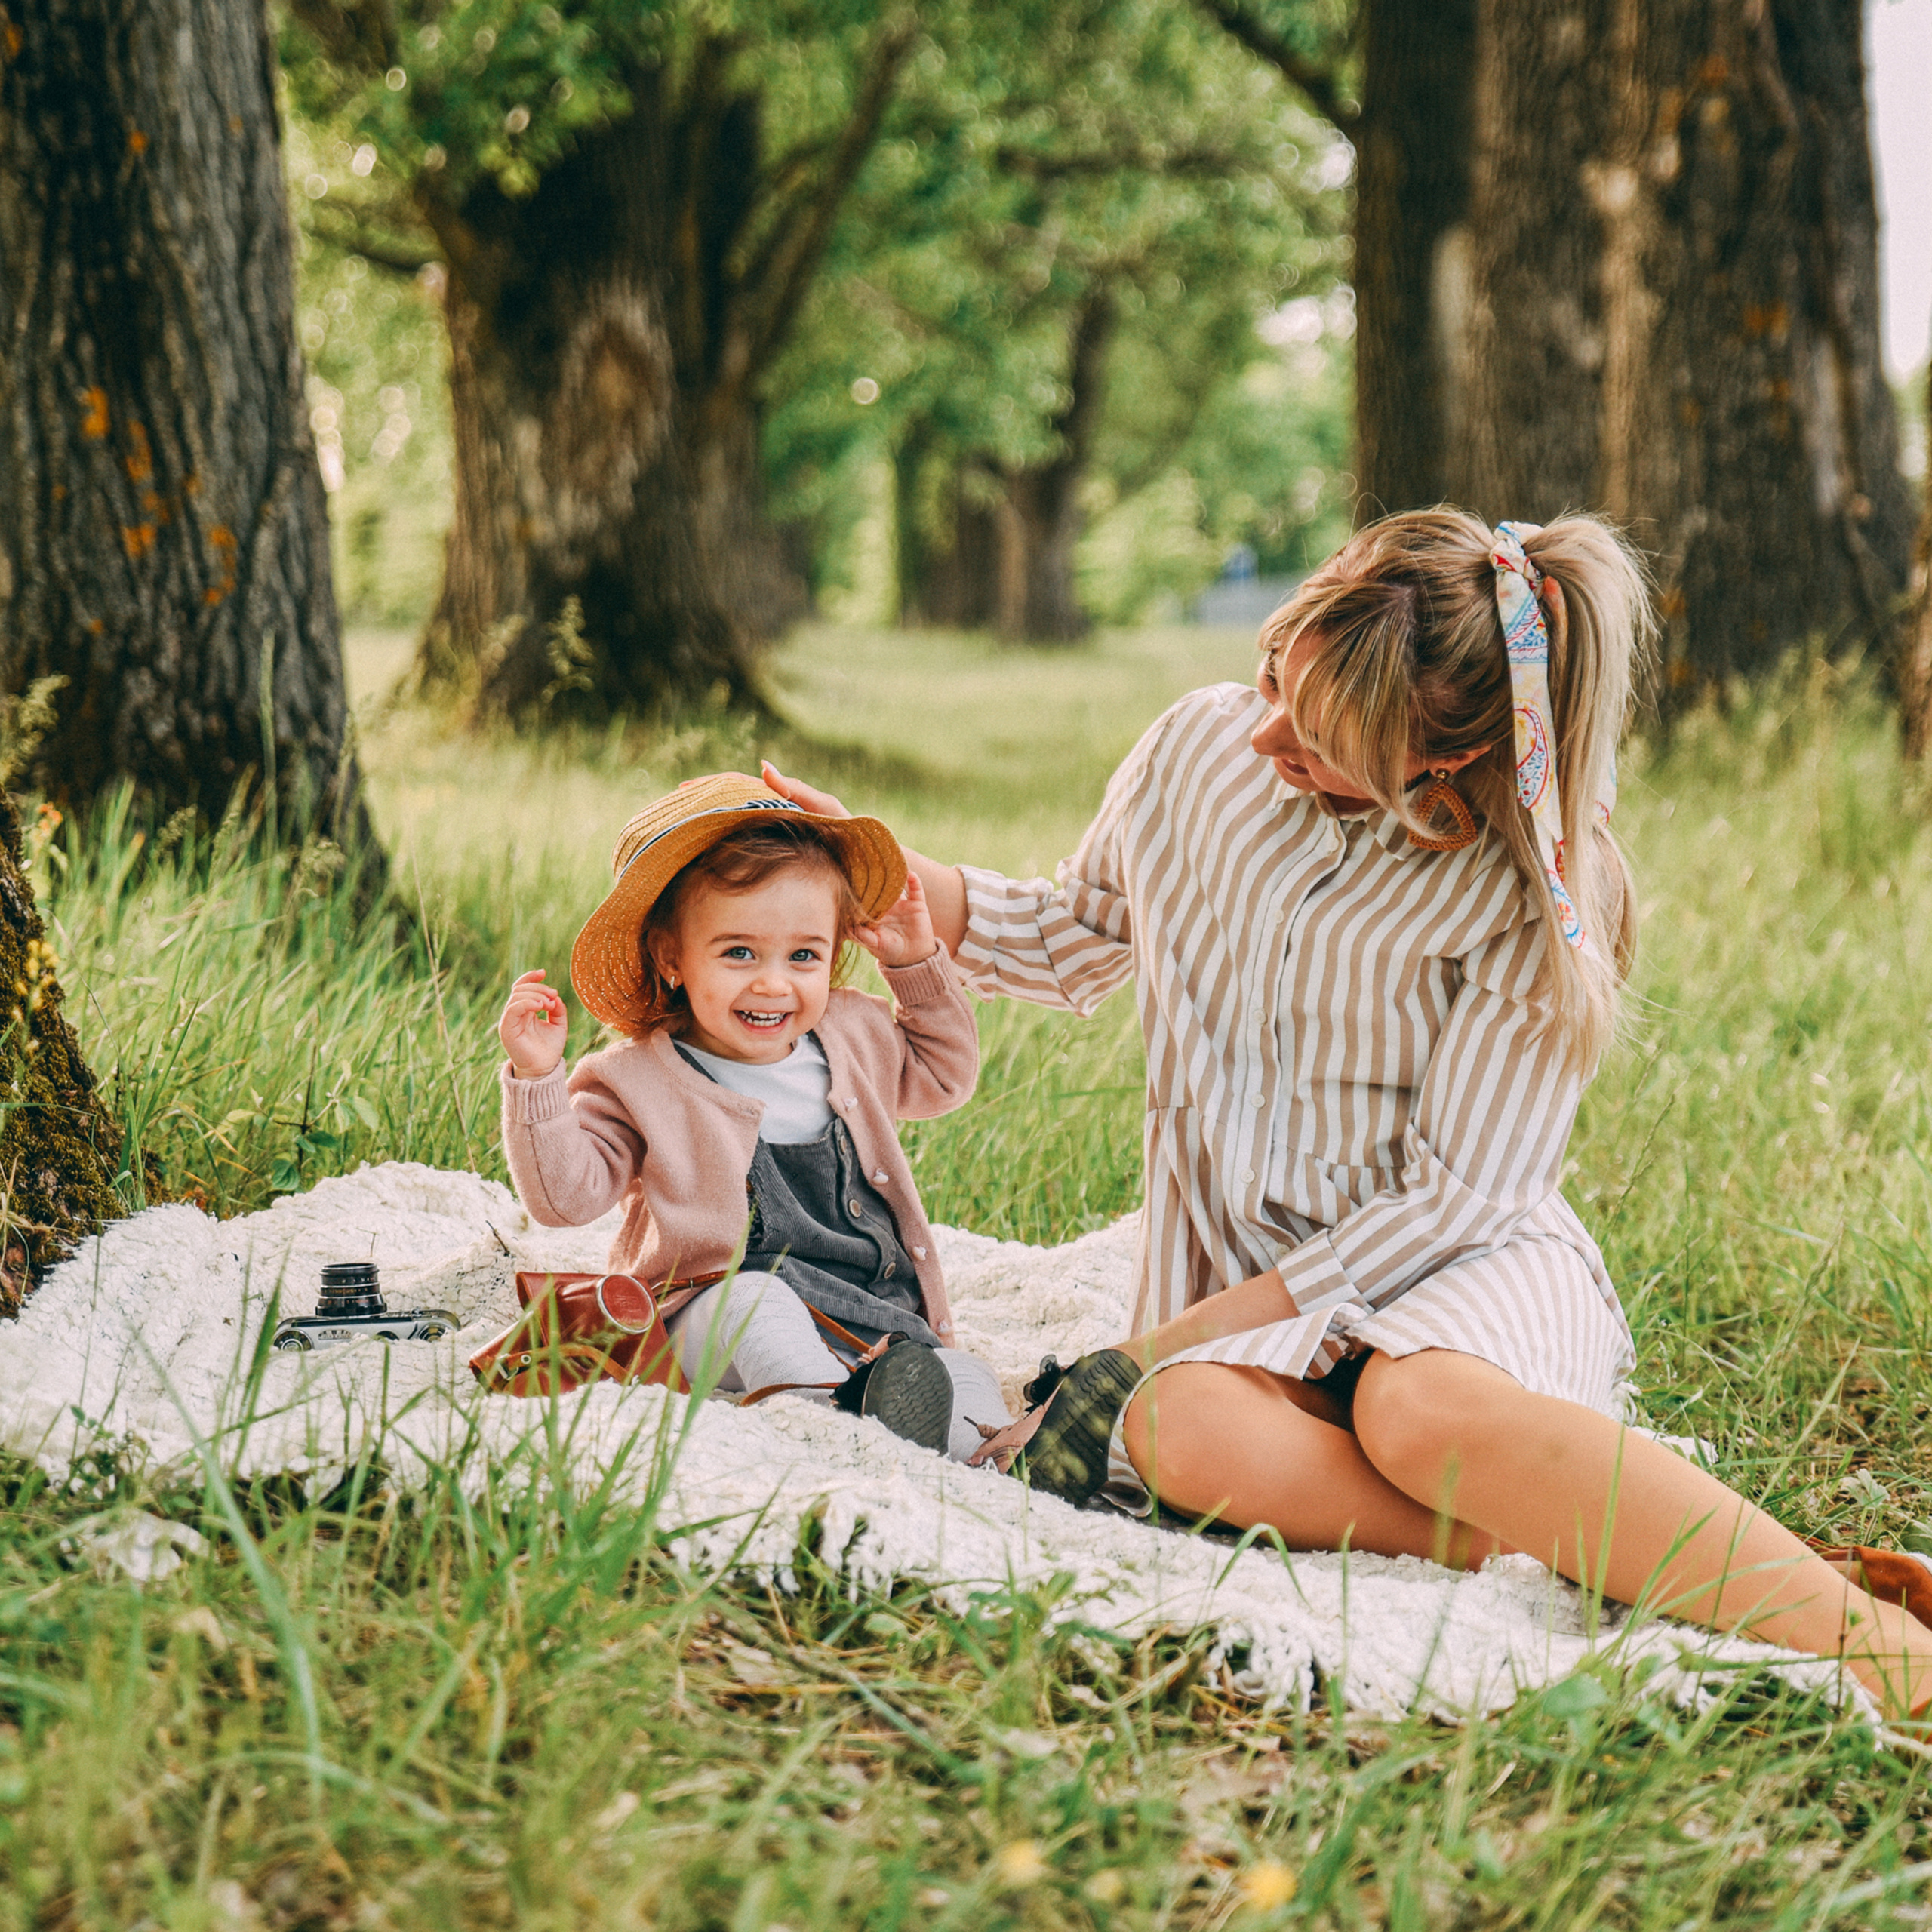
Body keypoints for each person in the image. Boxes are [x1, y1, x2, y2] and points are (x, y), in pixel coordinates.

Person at [763, 510, 1932, 1720]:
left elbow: (1449, 1205)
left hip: (1458, 1279)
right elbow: (1082, 932)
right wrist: (897, 887)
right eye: (1277, 676)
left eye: (1323, 740)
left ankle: (1876, 1645)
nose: (1265, 731)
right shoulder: (1195, 752)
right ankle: (1569, 1542)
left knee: (1413, 1406)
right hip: (1249, 1287)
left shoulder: (1534, 891)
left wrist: (1149, 1343)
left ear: (1440, 761)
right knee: (1173, 1431)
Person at [494, 773, 1008, 1459]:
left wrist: (916, 962)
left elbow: (946, 1077)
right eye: (739, 952)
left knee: (959, 1371)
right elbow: (565, 1197)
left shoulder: (853, 1034)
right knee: (758, 1307)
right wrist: (538, 1078)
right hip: (709, 1305)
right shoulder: (639, 1077)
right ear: (670, 956)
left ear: (833, 955)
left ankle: (988, 1450)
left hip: (869, 1312)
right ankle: (836, 1425)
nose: (773, 982)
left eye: (804, 956)